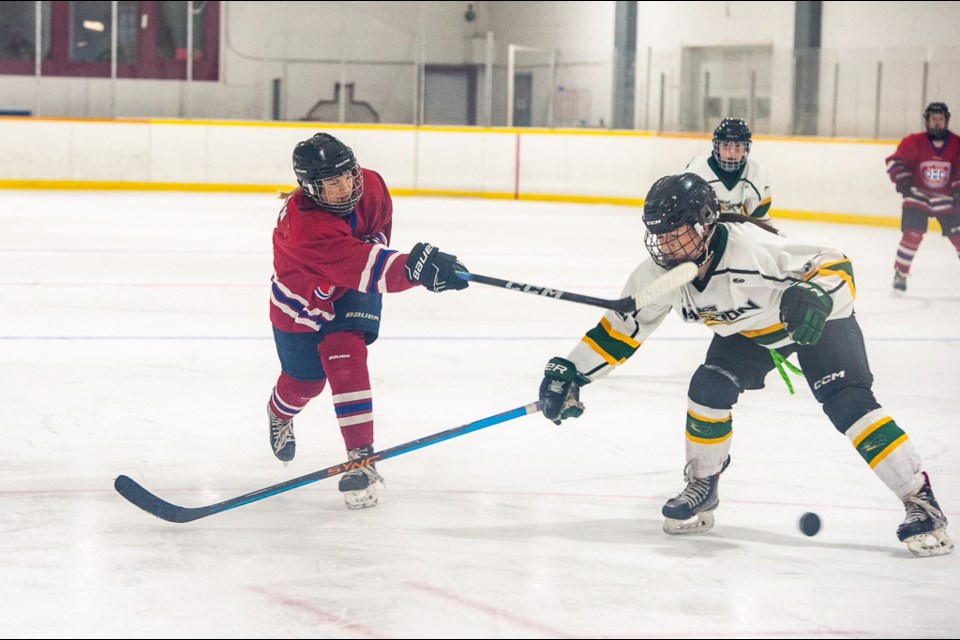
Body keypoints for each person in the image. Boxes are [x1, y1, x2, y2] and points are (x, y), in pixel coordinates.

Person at [536, 172, 953, 557]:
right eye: (659, 237)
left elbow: (836, 264)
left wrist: (814, 296)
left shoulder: (754, 251)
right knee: (708, 389)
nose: (666, 248)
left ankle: (920, 501)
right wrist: (570, 371)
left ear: (704, 225)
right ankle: (704, 484)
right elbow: (622, 329)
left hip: (812, 321)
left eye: (676, 236)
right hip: (750, 333)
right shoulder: (656, 276)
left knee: (849, 406)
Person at [267, 132, 469, 510]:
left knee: (347, 353)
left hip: (351, 286)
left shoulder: (372, 186)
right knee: (304, 384)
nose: (346, 187)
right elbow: (362, 264)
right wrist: (411, 269)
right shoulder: (305, 227)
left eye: (348, 175)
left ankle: (361, 458)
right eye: (332, 183)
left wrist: (420, 268)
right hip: (301, 305)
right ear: (311, 188)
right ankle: (279, 412)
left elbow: (373, 250)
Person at [886, 102, 960, 296]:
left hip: (947, 201)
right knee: (912, 233)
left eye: (940, 119)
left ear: (946, 121)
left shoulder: (957, 144)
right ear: (927, 121)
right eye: (933, 119)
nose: (937, 123)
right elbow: (894, 163)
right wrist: (903, 179)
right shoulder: (913, 142)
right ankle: (900, 273)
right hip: (918, 197)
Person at [684, 118, 772, 223]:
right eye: (726, 146)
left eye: (738, 146)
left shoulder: (756, 173)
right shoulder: (697, 171)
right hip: (703, 228)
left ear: (746, 149)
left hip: (737, 227)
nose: (732, 152)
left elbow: (759, 217)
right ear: (717, 147)